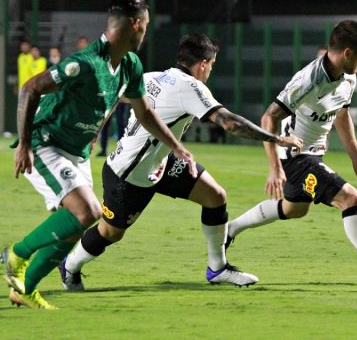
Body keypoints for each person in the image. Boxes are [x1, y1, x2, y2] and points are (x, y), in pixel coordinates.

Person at [0, 0, 197, 310]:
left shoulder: (130, 64)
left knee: (73, 229)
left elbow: (144, 112)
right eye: (145, 26)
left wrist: (176, 146)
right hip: (46, 143)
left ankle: (25, 289)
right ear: (135, 25)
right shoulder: (84, 63)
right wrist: (24, 144)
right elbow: (30, 87)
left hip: (77, 151)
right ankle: (18, 253)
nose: (146, 32)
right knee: (88, 212)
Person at [60, 33, 303, 290]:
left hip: (162, 164)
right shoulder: (190, 87)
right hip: (129, 174)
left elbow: (112, 94)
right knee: (111, 233)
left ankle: (218, 268)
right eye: (211, 65)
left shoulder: (152, 77)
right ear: (202, 64)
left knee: (215, 196)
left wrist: (96, 128)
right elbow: (230, 123)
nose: (210, 71)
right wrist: (275, 138)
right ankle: (69, 266)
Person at [226, 20, 357, 288]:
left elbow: (342, 114)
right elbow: (269, 117)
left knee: (294, 209)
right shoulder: (308, 80)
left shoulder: (349, 76)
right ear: (347, 53)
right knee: (350, 199)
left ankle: (230, 229)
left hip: (314, 155)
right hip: (295, 156)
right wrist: (274, 167)